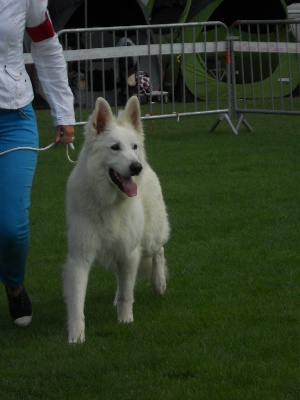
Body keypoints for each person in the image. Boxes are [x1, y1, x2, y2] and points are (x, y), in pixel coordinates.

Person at [0, 0, 76, 327]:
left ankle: (14, 287)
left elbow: (44, 43)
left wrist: (63, 111)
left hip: (13, 117)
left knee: (12, 227)